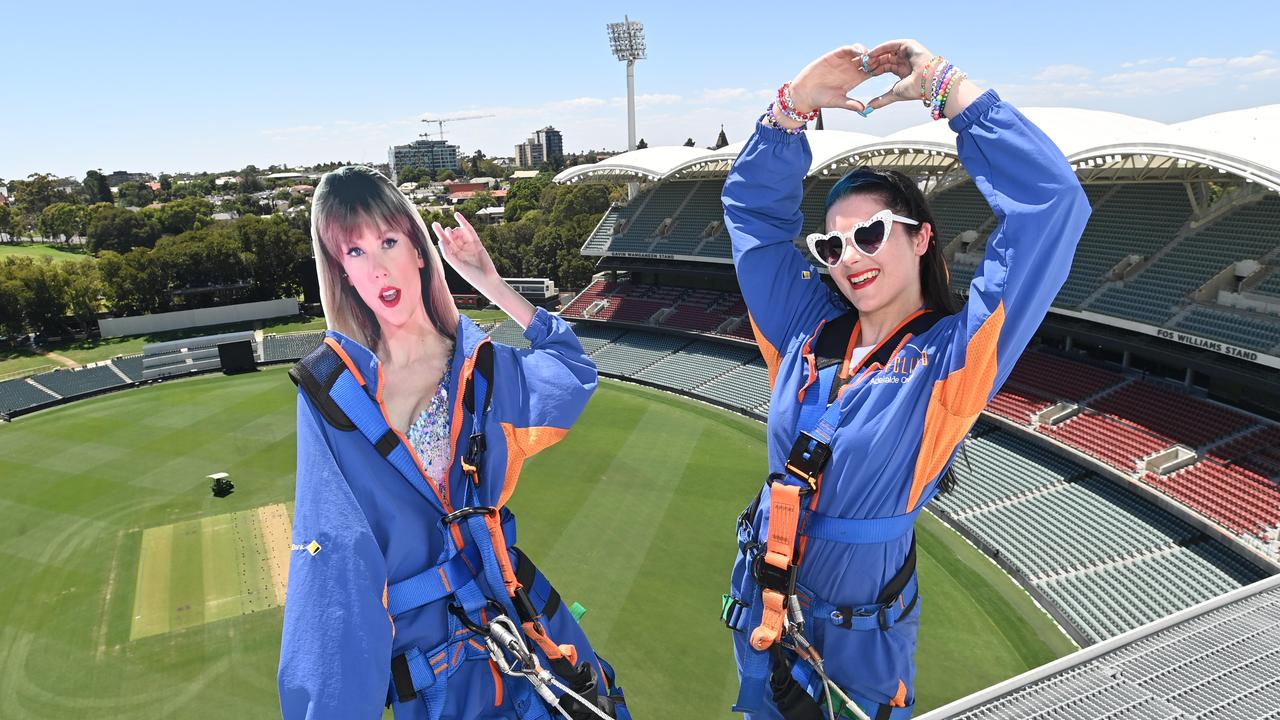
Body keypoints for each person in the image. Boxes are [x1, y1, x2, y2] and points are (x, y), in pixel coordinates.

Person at [720, 40, 1091, 719]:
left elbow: (1051, 208)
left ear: (921, 238)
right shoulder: (804, 332)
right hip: (765, 616)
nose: (849, 257)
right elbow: (753, 221)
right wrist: (787, 113)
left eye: (871, 235)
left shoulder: (952, 359)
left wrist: (950, 90)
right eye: (831, 246)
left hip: (857, 651)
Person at [277, 166, 628, 720]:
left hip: (525, 624)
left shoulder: (481, 366)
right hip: (436, 672)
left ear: (419, 250)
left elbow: (571, 371)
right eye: (355, 252)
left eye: (389, 241)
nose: (378, 267)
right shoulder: (331, 392)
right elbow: (334, 574)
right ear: (340, 272)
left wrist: (487, 280)